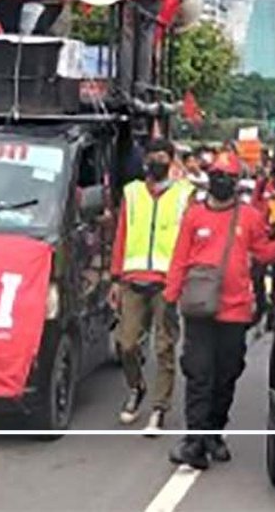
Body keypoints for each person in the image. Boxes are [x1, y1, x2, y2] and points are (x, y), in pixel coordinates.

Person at [163, 153, 275, 470]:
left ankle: (214, 434)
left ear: (236, 183)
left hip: (235, 312)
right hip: (199, 310)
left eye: (227, 176)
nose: (221, 180)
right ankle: (195, 440)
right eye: (216, 174)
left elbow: (265, 251)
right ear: (209, 177)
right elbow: (179, 258)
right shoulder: (193, 216)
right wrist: (169, 297)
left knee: (226, 374)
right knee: (198, 373)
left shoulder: (248, 217)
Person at [109, 138, 194, 433]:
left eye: (162, 156)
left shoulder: (185, 195)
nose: (156, 161)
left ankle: (159, 408)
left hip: (166, 282)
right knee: (126, 343)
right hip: (132, 279)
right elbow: (121, 235)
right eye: (152, 156)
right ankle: (137, 387)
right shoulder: (131, 193)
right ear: (145, 160)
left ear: (171, 161)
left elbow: (189, 240)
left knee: (164, 347)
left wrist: (182, 279)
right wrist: (116, 278)